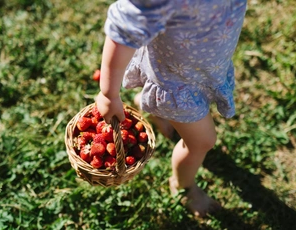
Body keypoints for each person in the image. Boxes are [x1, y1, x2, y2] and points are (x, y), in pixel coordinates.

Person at [95, 0, 247, 217]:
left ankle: (152, 108)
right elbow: (123, 29)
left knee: (198, 137)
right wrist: (109, 94)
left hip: (203, 68)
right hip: (176, 86)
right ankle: (183, 185)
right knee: (202, 142)